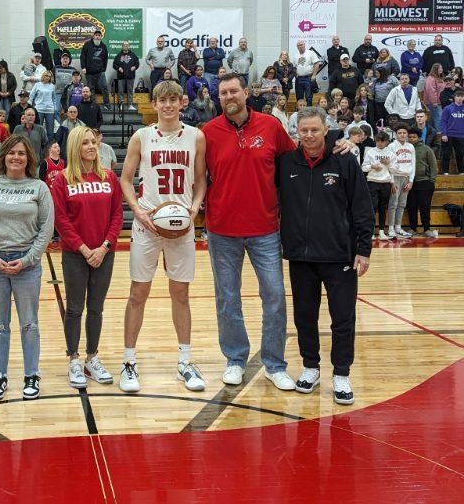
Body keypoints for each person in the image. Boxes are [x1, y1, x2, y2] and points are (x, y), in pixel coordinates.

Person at [202, 73, 348, 390]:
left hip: (265, 229)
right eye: (223, 92)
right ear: (219, 97)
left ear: (245, 93)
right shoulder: (208, 133)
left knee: (275, 298)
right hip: (222, 230)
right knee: (227, 299)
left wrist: (341, 139)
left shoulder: (270, 126)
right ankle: (235, 360)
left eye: (234, 91)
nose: (229, 97)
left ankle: (274, 363)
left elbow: (301, 155)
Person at [277, 106, 373, 405]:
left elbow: (362, 207)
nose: (308, 135)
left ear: (326, 130)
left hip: (339, 256)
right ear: (297, 131)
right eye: (303, 130)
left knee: (342, 318)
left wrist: (363, 249)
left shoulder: (344, 161)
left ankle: (341, 373)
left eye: (314, 130)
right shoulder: (286, 163)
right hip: (301, 256)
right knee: (305, 317)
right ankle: (310, 367)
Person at [118, 80, 207, 393]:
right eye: (162, 100)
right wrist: (138, 213)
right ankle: (129, 361)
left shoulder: (196, 136)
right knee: (137, 293)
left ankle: (184, 361)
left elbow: (200, 180)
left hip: (181, 226)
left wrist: (195, 209)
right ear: (154, 104)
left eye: (173, 99)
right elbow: (126, 180)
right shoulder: (141, 137)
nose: (168, 105)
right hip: (147, 223)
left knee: (180, 293)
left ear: (182, 102)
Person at [0, 134, 54, 401]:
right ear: (4, 156)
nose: (16, 157)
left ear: (28, 158)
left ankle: (31, 374)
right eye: (11, 153)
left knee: (29, 323)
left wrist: (28, 259)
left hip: (27, 265)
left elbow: (46, 229)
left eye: (21, 153)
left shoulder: (39, 187)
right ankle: (0, 374)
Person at [51, 126, 123, 388]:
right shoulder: (62, 180)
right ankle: (73, 359)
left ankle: (92, 357)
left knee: (96, 308)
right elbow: (61, 220)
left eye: (94, 142)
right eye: (86, 143)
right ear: (74, 147)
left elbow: (117, 216)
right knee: (74, 308)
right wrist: (83, 248)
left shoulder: (109, 178)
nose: (92, 146)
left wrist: (104, 246)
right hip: (75, 255)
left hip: (104, 253)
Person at [362, 131, 398, 240]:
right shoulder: (370, 152)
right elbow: (363, 167)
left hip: (385, 183)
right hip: (372, 182)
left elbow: (395, 170)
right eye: (378, 141)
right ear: (375, 141)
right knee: (372, 207)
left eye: (382, 141)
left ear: (387, 142)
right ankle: (371, 232)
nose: (380, 143)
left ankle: (382, 232)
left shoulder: (391, 154)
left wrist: (388, 163)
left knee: (383, 208)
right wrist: (372, 167)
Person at [406, 127, 438, 238]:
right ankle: (412, 228)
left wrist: (432, 180)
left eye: (414, 137)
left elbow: (433, 166)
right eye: (409, 137)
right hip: (410, 183)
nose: (411, 139)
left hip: (425, 182)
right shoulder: (406, 149)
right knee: (411, 206)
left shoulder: (426, 149)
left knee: (425, 206)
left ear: (419, 138)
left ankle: (427, 229)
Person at [80, 30, 110, 111]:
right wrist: (83, 67)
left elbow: (106, 58)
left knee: (104, 87)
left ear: (101, 37)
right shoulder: (87, 45)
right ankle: (93, 106)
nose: (97, 36)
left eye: (99, 35)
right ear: (93, 36)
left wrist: (104, 69)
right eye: (96, 35)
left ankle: (107, 104)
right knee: (91, 89)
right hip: (89, 72)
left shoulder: (103, 46)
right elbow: (82, 57)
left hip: (100, 72)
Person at [440, 88, 464, 175]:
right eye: (458, 96)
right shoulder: (448, 108)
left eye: (462, 96)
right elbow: (443, 121)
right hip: (449, 135)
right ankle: (445, 171)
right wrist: (444, 133)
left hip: (461, 135)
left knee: (460, 154)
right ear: (454, 97)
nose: (460, 98)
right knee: (446, 154)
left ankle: (461, 171)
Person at [28, 70, 58, 141]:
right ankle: (38, 145)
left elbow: (54, 99)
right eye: (46, 76)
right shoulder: (37, 85)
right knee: (38, 130)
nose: (47, 77)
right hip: (39, 110)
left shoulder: (52, 86)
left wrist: (55, 108)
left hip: (50, 110)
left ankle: (49, 147)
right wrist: (29, 107)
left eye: (49, 76)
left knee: (50, 131)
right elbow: (31, 96)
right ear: (43, 76)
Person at [112, 41, 139, 111]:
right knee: (120, 91)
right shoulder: (118, 55)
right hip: (121, 76)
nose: (126, 46)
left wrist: (135, 67)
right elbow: (114, 65)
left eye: (127, 45)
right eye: (124, 45)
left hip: (130, 76)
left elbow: (137, 64)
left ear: (129, 46)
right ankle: (121, 104)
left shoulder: (133, 55)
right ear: (122, 46)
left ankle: (130, 105)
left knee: (130, 91)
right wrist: (119, 68)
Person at [294, 40, 320, 104]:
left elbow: (317, 64)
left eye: (301, 44)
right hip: (299, 79)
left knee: (308, 97)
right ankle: (300, 113)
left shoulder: (310, 53)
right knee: (299, 97)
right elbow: (294, 68)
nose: (300, 46)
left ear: (304, 45)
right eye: (298, 45)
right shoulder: (295, 56)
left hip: (308, 78)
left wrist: (314, 75)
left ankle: (308, 113)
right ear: (297, 47)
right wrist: (296, 76)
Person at [423, 63, 446, 131]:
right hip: (434, 103)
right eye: (440, 68)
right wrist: (434, 102)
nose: (441, 69)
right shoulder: (430, 78)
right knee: (438, 119)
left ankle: (435, 136)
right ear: (435, 69)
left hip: (439, 102)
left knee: (434, 120)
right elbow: (431, 91)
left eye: (441, 68)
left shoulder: (438, 78)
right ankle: (439, 135)